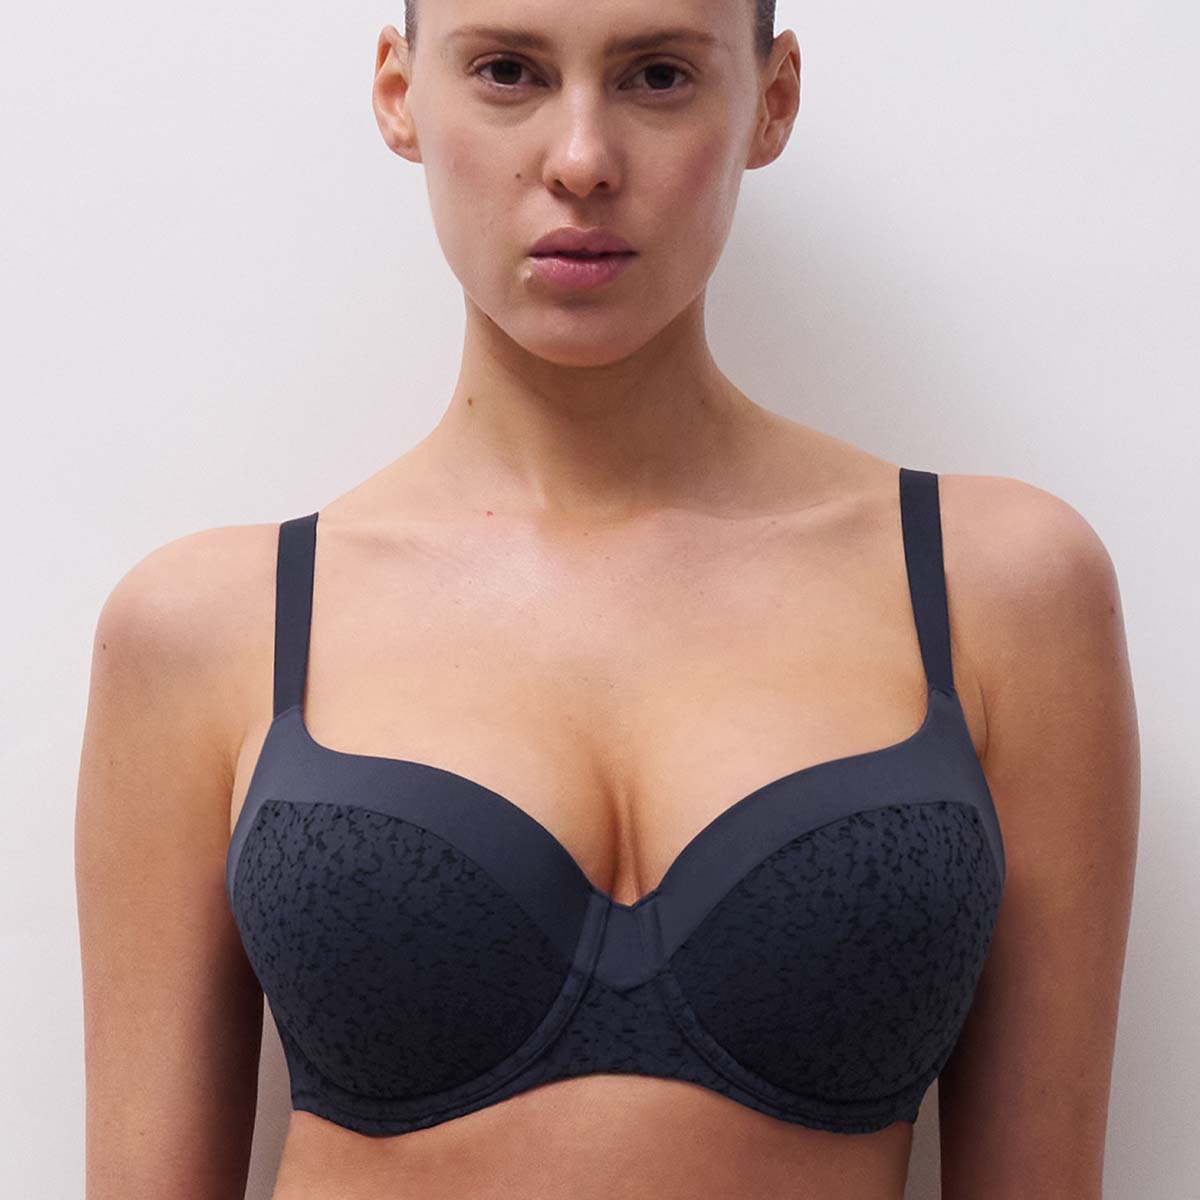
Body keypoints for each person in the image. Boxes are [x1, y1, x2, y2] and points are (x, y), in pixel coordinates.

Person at [75, 3, 1140, 1198]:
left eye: (658, 76)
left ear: (772, 100)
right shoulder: (207, 631)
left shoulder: (999, 592)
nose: (582, 159)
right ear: (399, 93)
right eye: (507, 70)